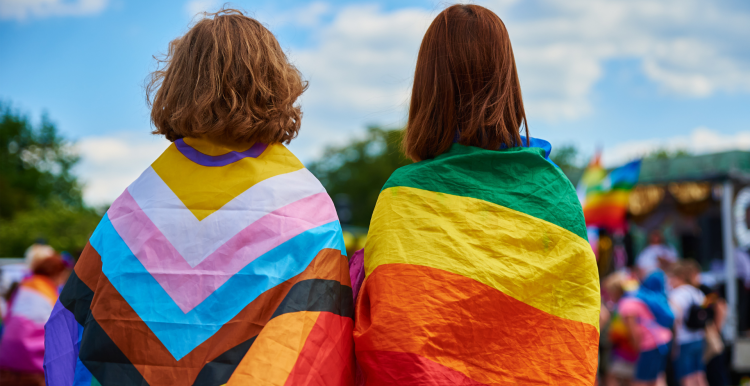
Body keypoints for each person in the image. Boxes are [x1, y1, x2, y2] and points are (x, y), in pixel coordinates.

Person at [43, 9, 353, 386]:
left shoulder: (133, 206)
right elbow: (320, 338)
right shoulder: (305, 204)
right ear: (276, 83)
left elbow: (71, 323)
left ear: (180, 84)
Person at [352, 5, 600, 384]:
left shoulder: (405, 197)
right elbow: (570, 337)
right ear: (508, 81)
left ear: (427, 87)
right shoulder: (554, 195)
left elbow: (394, 336)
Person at [0, 245, 70, 386]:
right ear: (57, 273)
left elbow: (7, 317)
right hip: (33, 364)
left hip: (7, 359)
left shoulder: (25, 284)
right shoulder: (48, 290)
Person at [684, 259, 728, 386]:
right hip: (700, 336)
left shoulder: (703, 289)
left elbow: (721, 307)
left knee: (715, 373)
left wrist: (716, 330)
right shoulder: (693, 290)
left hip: (710, 334)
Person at [668, 262, 709, 386]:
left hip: (684, 340)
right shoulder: (697, 292)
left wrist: (673, 341)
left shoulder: (677, 294)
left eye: (671, 277)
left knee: (686, 377)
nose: (669, 281)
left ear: (679, 277)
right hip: (699, 337)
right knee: (699, 375)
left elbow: (675, 318)